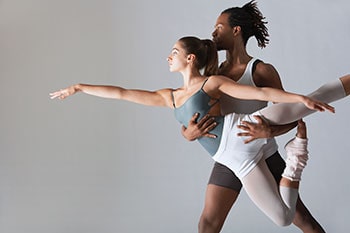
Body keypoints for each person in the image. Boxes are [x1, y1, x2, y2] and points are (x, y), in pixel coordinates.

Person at [50, 36, 350, 227]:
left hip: (243, 130)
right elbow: (122, 93)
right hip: (233, 159)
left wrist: (299, 99)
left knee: (319, 97)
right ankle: (295, 160)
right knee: (284, 219)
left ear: (190, 58)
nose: (168, 57)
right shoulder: (168, 96)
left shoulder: (212, 83)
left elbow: (257, 95)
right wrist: (79, 87)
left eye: (173, 52)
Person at [179, 1, 326, 232]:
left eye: (219, 27)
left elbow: (290, 115)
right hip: (230, 154)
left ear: (235, 31)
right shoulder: (213, 73)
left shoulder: (260, 70)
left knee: (303, 221)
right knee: (208, 223)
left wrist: (270, 132)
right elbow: (189, 110)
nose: (213, 33)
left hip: (264, 153)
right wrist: (188, 133)